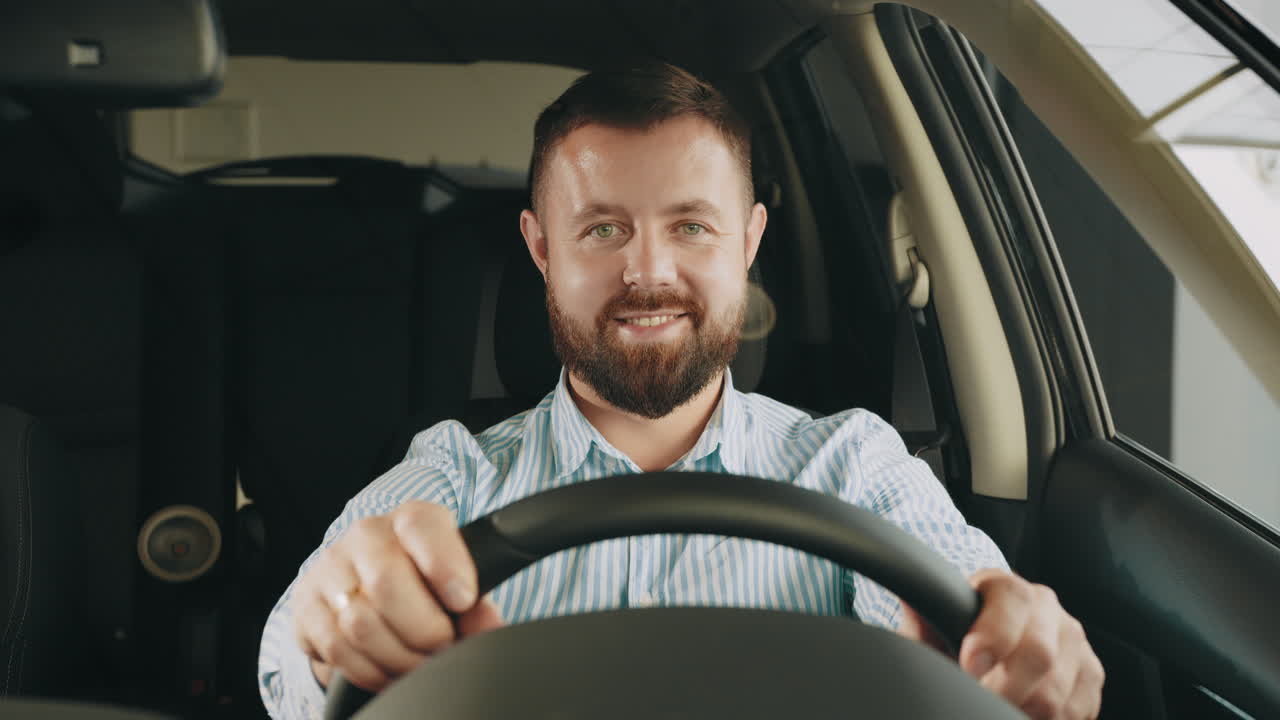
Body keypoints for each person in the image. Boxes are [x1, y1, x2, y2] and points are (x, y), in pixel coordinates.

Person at [258, 62, 1104, 720]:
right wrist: (334, 635)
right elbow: (294, 654)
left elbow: (964, 591)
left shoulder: (850, 461)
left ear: (748, 242)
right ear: (541, 248)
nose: (650, 273)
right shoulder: (451, 475)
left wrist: (1006, 637)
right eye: (602, 230)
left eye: (691, 226)